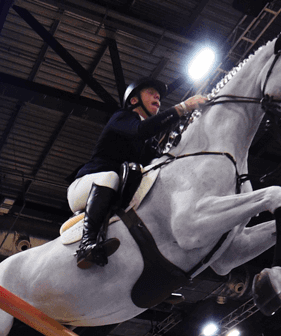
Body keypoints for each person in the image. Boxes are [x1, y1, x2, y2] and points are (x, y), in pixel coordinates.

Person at [68, 78, 209, 269]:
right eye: (151, 92)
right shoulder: (122, 118)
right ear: (134, 101)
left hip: (112, 192)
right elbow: (141, 130)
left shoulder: (149, 142)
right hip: (85, 186)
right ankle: (86, 245)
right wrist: (183, 107)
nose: (157, 96)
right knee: (111, 176)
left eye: (157, 95)